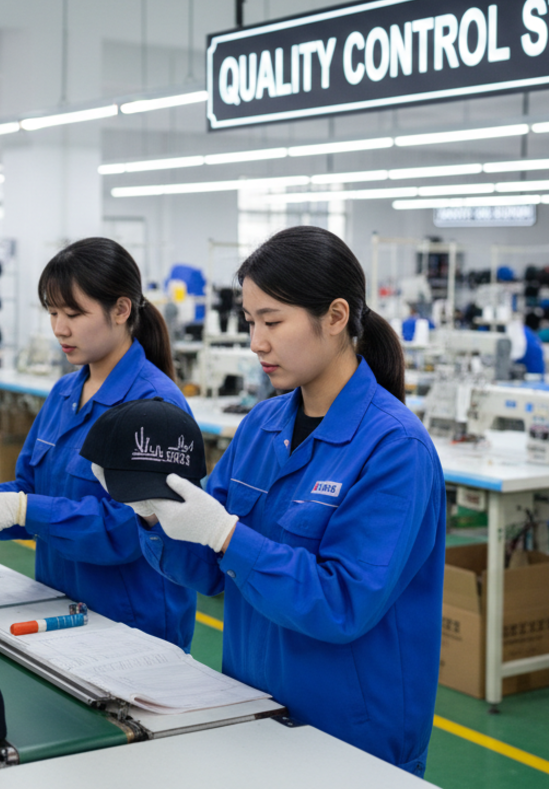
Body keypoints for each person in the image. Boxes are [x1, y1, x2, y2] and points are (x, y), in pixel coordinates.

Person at [130, 226, 445, 775]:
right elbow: (207, 570)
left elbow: (344, 602)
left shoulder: (395, 449)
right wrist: (154, 514)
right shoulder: (262, 424)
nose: (256, 341)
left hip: (350, 731)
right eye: (251, 321)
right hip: (254, 708)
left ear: (337, 316)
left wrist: (227, 534)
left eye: (273, 321)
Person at [0, 238, 197, 650]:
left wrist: (24, 510)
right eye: (52, 312)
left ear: (120, 310)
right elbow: (28, 487)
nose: (59, 328)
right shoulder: (65, 392)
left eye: (74, 313)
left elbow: (125, 529)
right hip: (59, 608)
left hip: (132, 625)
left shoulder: (155, 407)